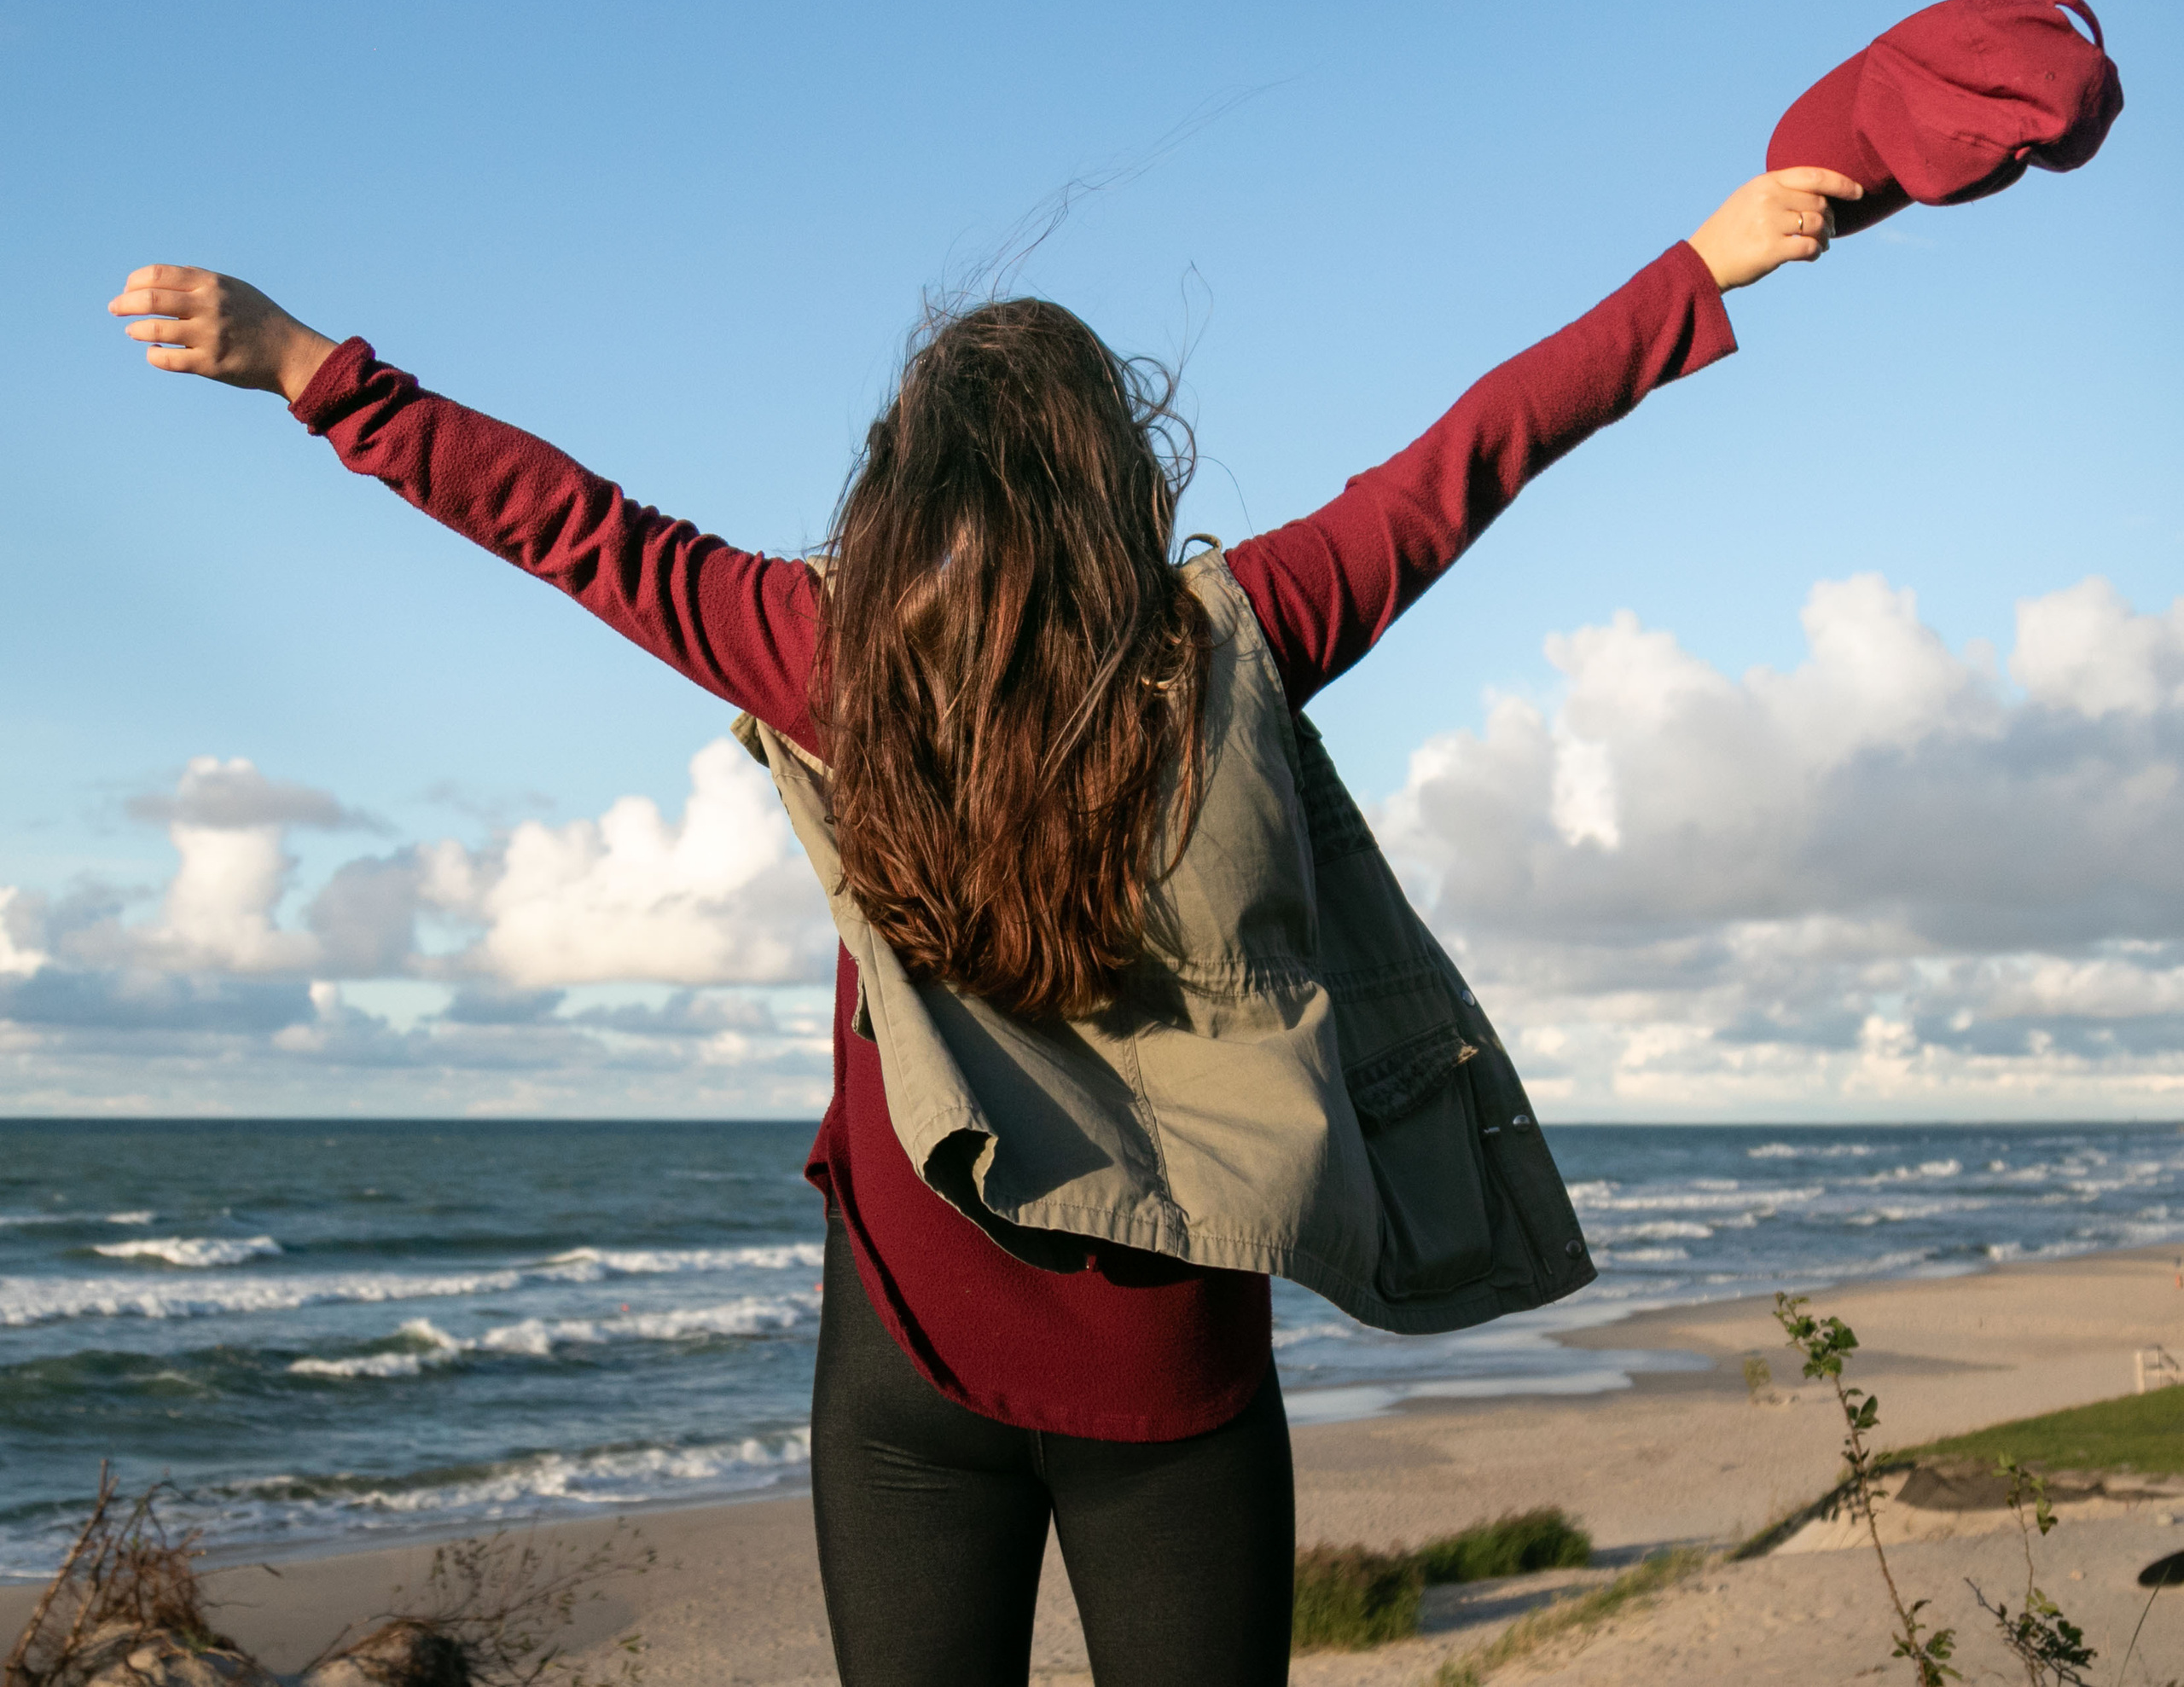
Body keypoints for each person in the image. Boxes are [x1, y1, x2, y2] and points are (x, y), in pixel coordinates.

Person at [108, 163, 1859, 1686]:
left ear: (902, 480)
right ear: (1116, 480)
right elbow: (1478, 450)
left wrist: (302, 368)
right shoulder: (1232, 644)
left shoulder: (820, 654)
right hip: (1169, 1366)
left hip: (905, 1363)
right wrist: (1697, 264)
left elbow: (571, 526)